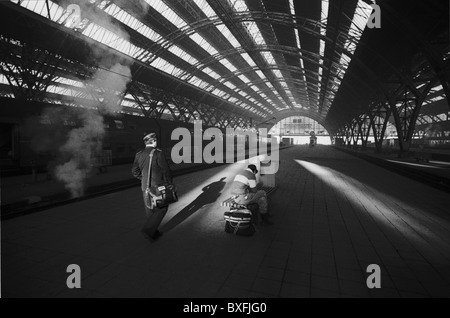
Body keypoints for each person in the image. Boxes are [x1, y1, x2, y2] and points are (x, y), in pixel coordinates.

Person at [132, 131, 173, 242]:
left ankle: (153, 233)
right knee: (162, 208)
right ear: (153, 141)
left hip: (145, 187)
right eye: (156, 140)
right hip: (157, 187)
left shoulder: (139, 154)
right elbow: (166, 170)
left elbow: (134, 172)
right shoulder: (158, 153)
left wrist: (144, 180)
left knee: (150, 210)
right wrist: (170, 184)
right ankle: (148, 231)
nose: (156, 142)